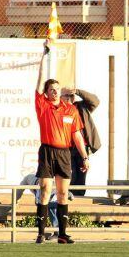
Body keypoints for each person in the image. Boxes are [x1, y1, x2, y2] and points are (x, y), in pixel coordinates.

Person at [34, 41, 90, 244]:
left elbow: (76, 135)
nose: (55, 92)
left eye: (57, 89)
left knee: (63, 193)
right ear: (47, 92)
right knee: (45, 191)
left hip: (65, 153)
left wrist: (84, 157)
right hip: (48, 152)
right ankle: (40, 232)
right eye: (52, 89)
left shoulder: (71, 110)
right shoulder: (43, 105)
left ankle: (62, 234)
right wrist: (44, 55)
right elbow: (39, 82)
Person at [61, 88, 101, 196]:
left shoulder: (81, 107)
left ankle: (79, 202)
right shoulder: (58, 109)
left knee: (81, 175)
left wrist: (78, 91)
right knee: (70, 174)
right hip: (66, 148)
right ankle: (68, 198)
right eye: (66, 96)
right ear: (60, 98)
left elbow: (95, 101)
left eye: (71, 96)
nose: (69, 98)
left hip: (82, 148)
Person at [17, 173, 74, 240]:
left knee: (51, 206)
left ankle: (56, 232)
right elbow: (37, 202)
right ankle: (45, 231)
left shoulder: (54, 186)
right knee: (47, 205)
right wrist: (16, 201)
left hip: (48, 189)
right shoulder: (38, 186)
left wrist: (69, 195)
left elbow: (65, 192)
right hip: (35, 185)